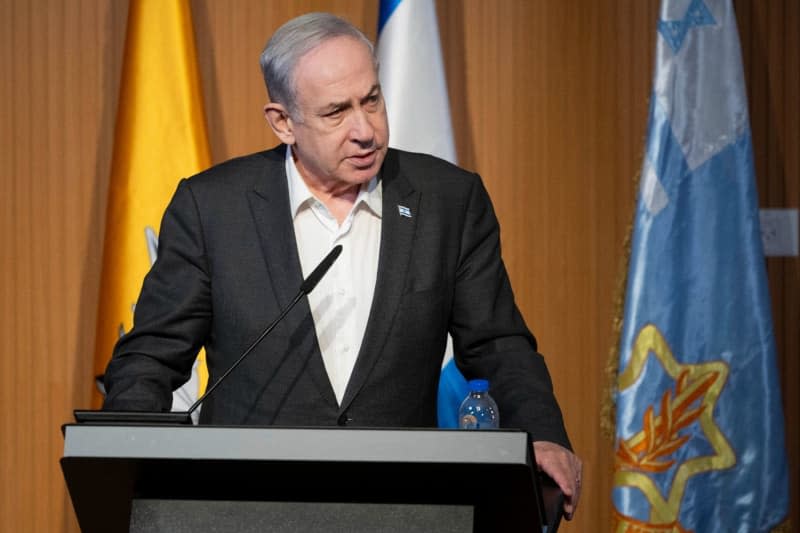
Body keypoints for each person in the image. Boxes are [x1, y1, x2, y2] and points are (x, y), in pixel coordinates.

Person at [102, 12, 582, 519]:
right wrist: (123, 464)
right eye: (336, 112)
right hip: (246, 508)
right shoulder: (213, 208)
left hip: (405, 508)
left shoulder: (448, 200)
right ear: (283, 122)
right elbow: (152, 356)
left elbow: (497, 344)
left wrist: (544, 434)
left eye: (371, 100)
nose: (365, 130)